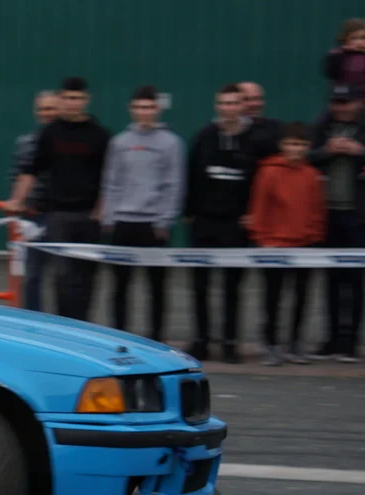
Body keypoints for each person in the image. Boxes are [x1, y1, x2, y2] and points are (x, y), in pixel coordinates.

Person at [5, 76, 111, 322]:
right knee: (62, 278)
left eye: (78, 98)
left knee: (86, 278)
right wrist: (16, 200)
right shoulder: (50, 133)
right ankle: (65, 327)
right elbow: (31, 170)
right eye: (69, 98)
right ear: (62, 99)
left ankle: (84, 327)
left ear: (87, 100)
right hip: (58, 216)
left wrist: (102, 212)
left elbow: (109, 178)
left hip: (89, 217)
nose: (73, 103)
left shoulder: (100, 135)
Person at [99, 85, 184, 342]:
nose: (144, 112)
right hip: (123, 222)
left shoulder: (171, 143)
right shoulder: (120, 143)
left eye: (149, 107)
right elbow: (112, 181)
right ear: (131, 109)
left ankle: (156, 338)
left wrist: (164, 220)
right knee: (119, 286)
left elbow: (173, 184)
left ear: (157, 109)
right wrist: (109, 216)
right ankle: (119, 336)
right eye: (139, 107)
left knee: (157, 287)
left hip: (153, 225)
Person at [183, 83, 260, 363]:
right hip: (204, 222)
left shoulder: (254, 140)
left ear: (243, 106)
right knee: (200, 285)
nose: (229, 108)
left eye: (234, 103)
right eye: (224, 103)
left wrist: (252, 213)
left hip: (235, 225)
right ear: (218, 106)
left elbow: (261, 182)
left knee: (232, 287)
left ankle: (229, 342)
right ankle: (201, 340)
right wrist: (189, 211)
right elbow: (190, 175)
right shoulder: (204, 137)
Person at [248, 122, 325, 366]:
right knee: (273, 297)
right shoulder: (268, 172)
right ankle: (270, 344)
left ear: (308, 147)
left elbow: (317, 209)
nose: (296, 149)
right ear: (282, 145)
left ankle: (295, 343)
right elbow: (260, 207)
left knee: (302, 296)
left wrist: (314, 236)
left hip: (305, 245)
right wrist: (262, 238)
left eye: (301, 144)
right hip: (274, 245)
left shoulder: (311, 174)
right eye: (292, 144)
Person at [309, 84, 365, 363]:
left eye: (346, 102)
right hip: (327, 213)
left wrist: (359, 150)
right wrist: (326, 150)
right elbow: (304, 156)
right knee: (331, 279)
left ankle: (350, 340)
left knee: (355, 281)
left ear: (358, 103)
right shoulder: (322, 126)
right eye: (336, 102)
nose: (340, 108)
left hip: (357, 214)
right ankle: (331, 339)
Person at [11, 90, 59, 313]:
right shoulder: (25, 142)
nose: (46, 113)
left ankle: (64, 323)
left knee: (63, 278)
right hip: (32, 217)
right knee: (32, 277)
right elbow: (16, 175)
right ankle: (34, 320)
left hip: (60, 216)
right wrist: (21, 204)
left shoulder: (66, 142)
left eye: (51, 108)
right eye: (42, 109)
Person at [237, 81, 282, 160]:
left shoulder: (279, 129)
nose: (255, 104)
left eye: (258, 98)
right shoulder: (220, 133)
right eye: (247, 99)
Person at [324, 18, 365, 98]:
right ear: (345, 40)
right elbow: (331, 73)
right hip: (345, 97)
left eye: (363, 38)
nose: (359, 42)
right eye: (354, 38)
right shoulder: (339, 55)